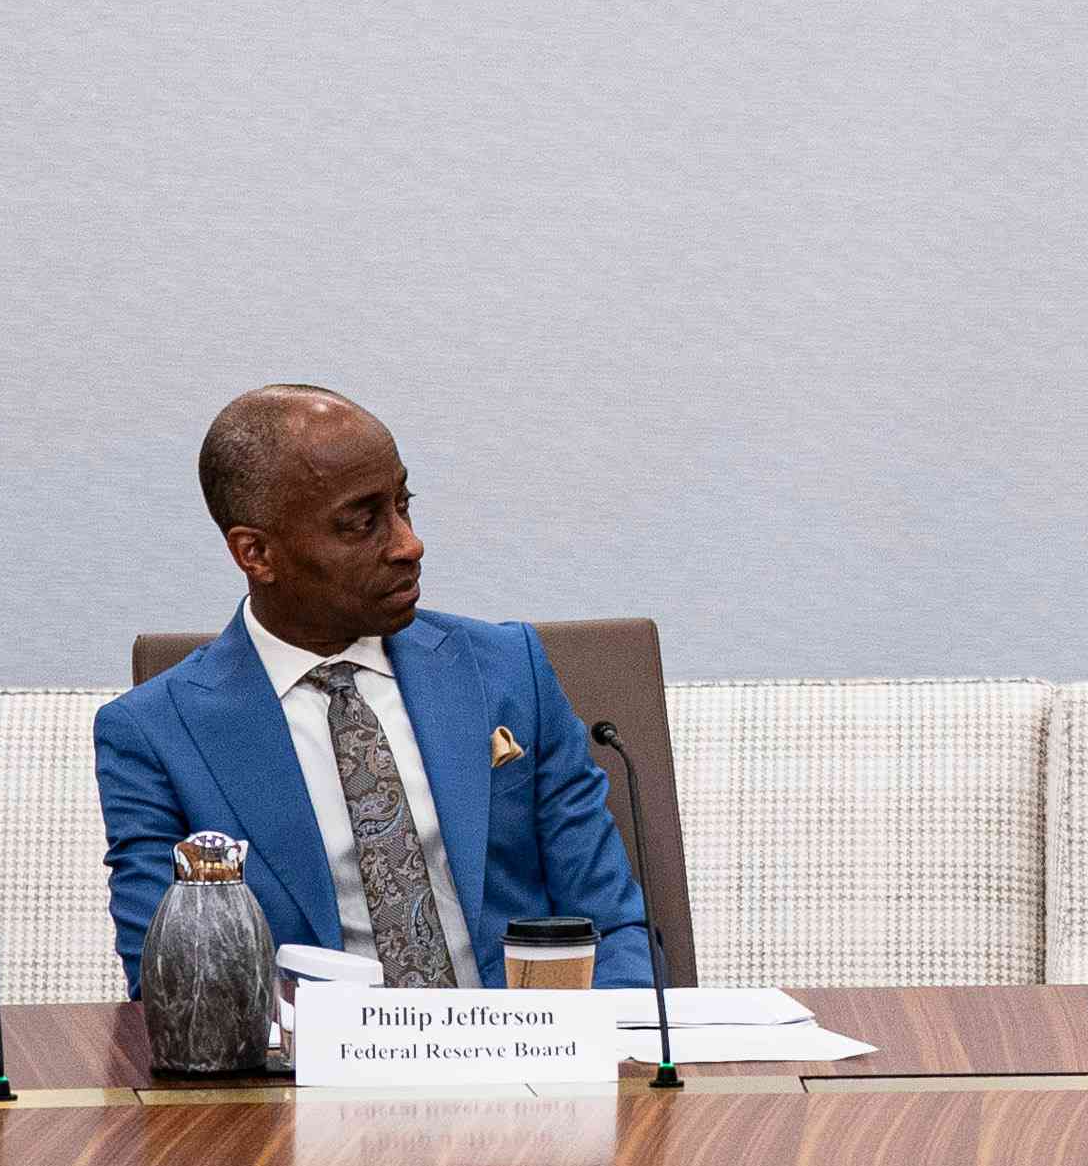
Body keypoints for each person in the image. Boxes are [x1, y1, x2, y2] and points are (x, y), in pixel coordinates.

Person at [94, 385, 666, 988]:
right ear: (256, 553)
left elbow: (614, 925)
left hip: (533, 1058)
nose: (407, 544)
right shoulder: (156, 733)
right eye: (361, 523)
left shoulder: (507, 670)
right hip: (308, 1069)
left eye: (403, 504)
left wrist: (606, 1058)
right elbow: (171, 984)